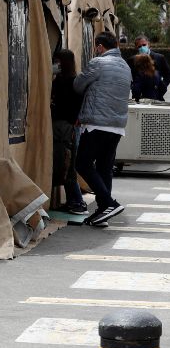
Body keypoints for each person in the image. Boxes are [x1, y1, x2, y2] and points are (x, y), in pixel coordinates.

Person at [74, 31, 132, 226]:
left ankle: (109, 203)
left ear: (99, 46)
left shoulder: (98, 63)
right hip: (117, 126)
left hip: (96, 123)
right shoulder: (125, 66)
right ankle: (102, 213)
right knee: (104, 168)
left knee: (82, 163)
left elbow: (78, 85)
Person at [51, 49, 87, 215]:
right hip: (71, 127)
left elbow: (64, 106)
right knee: (67, 164)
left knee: (66, 165)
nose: (54, 65)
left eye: (57, 62)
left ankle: (78, 202)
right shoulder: (73, 80)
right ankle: (74, 201)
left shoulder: (67, 82)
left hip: (65, 128)